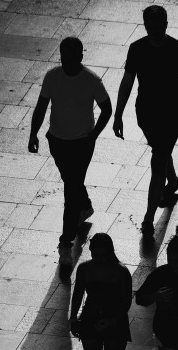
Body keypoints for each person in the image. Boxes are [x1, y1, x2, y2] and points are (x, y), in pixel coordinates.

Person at [28, 37, 112, 267]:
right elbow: (41, 106)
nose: (67, 62)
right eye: (64, 57)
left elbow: (107, 108)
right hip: (57, 140)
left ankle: (66, 242)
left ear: (80, 57)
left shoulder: (91, 80)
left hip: (81, 144)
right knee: (71, 181)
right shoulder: (52, 76)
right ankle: (84, 206)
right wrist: (33, 133)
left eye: (71, 58)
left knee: (70, 189)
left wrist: (93, 135)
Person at [113, 5, 178, 237]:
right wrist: (118, 113)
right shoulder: (138, 49)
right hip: (147, 114)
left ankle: (149, 217)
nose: (155, 30)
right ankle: (174, 180)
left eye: (158, 26)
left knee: (158, 159)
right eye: (151, 26)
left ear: (166, 24)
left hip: (170, 113)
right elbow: (127, 82)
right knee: (160, 149)